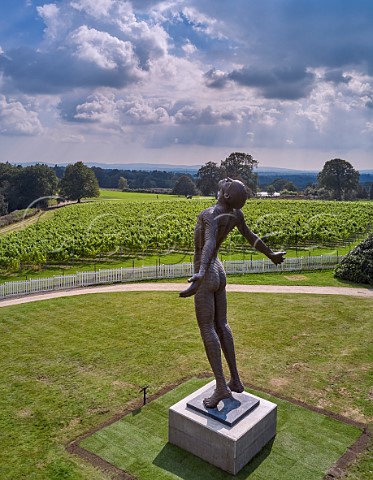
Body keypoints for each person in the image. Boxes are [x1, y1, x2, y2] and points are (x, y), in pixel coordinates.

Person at [180, 178, 285, 408]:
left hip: (207, 271)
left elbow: (208, 244)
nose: (225, 180)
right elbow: (251, 237)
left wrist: (200, 272)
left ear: (226, 196)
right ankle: (235, 380)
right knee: (222, 324)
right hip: (219, 269)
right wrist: (271, 255)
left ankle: (221, 387)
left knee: (208, 327)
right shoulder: (236, 215)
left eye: (228, 182)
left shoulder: (210, 214)